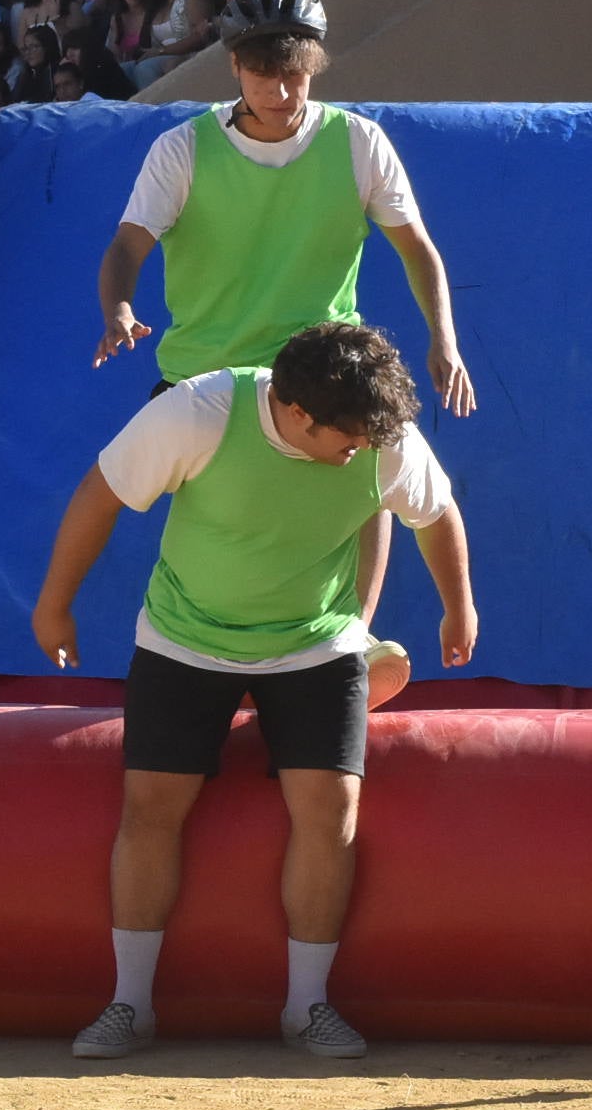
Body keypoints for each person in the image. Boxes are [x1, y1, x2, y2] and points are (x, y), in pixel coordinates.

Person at [35, 321, 479, 1061]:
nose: (361, 453)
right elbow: (101, 493)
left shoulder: (381, 435)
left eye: (371, 440)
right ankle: (129, 1005)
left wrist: (458, 606)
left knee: (331, 809)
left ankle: (308, 1007)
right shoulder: (201, 412)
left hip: (317, 644)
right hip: (185, 639)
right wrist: (54, 604)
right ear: (298, 413)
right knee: (151, 808)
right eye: (348, 441)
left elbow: (435, 515)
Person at [94, 0, 472, 698]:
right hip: (208, 374)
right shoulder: (183, 151)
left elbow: (418, 250)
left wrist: (446, 342)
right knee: (231, 525)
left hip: (321, 362)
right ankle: (207, 664)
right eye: (266, 73)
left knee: (370, 456)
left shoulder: (359, 143)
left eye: (295, 73)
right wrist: (119, 308)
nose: (282, 90)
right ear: (236, 67)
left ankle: (350, 642)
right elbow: (128, 244)